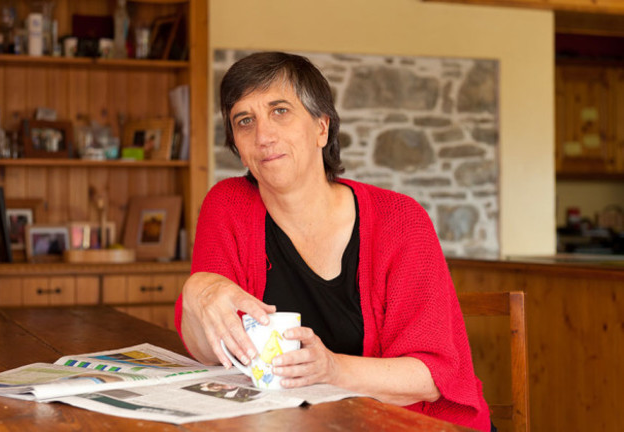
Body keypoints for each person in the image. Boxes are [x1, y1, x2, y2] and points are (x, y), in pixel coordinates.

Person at [175, 51, 490, 431]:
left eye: (280, 111)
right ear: (236, 145)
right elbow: (208, 352)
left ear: (322, 127)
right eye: (245, 121)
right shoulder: (228, 205)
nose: (263, 135)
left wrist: (331, 369)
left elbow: (432, 378)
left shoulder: (400, 220)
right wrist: (197, 294)